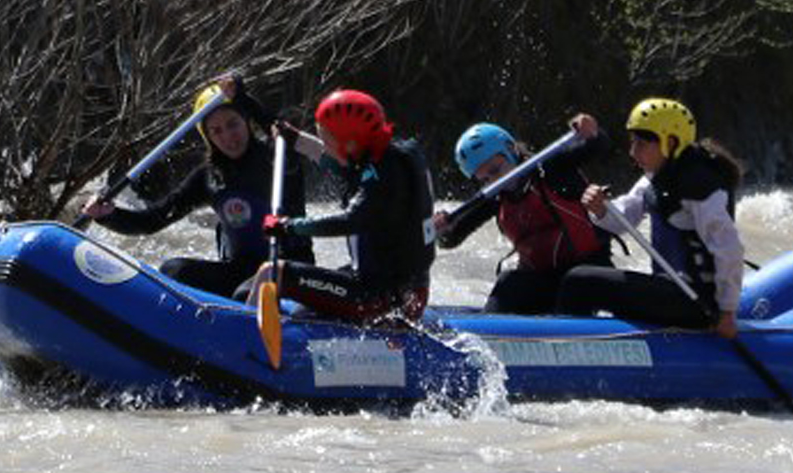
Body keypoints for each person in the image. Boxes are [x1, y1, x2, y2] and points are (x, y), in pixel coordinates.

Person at [80, 76, 316, 298]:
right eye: (216, 131)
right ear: (208, 137)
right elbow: (155, 219)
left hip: (289, 273)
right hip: (241, 274)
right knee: (174, 270)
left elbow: (280, 129)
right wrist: (109, 216)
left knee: (247, 292)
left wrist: (242, 97)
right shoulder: (209, 178)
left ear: (246, 121)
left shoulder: (278, 157)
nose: (228, 136)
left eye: (233, 124)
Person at [556, 98, 745, 338]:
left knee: (579, 281)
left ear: (671, 142)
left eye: (641, 143)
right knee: (578, 277)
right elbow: (624, 216)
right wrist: (601, 208)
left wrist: (727, 313)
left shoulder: (700, 185)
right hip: (672, 291)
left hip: (697, 304)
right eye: (633, 142)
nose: (633, 152)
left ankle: (566, 351)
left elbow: (729, 249)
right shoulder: (656, 177)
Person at [248, 89, 436, 323]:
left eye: (327, 139)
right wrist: (292, 137)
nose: (325, 147)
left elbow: (349, 221)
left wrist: (288, 226)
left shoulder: (383, 178)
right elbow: (332, 162)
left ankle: (241, 340)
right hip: (395, 289)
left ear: (350, 142)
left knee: (272, 274)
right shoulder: (389, 156)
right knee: (294, 308)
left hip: (382, 298)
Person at [434, 115, 618, 314]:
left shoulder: (551, 169)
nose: (495, 180)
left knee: (574, 282)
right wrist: (442, 229)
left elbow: (599, 145)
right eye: (484, 178)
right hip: (546, 281)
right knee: (509, 281)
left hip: (589, 273)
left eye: (496, 169)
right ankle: (493, 335)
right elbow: (450, 239)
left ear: (511, 150)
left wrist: (591, 131)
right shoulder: (496, 197)